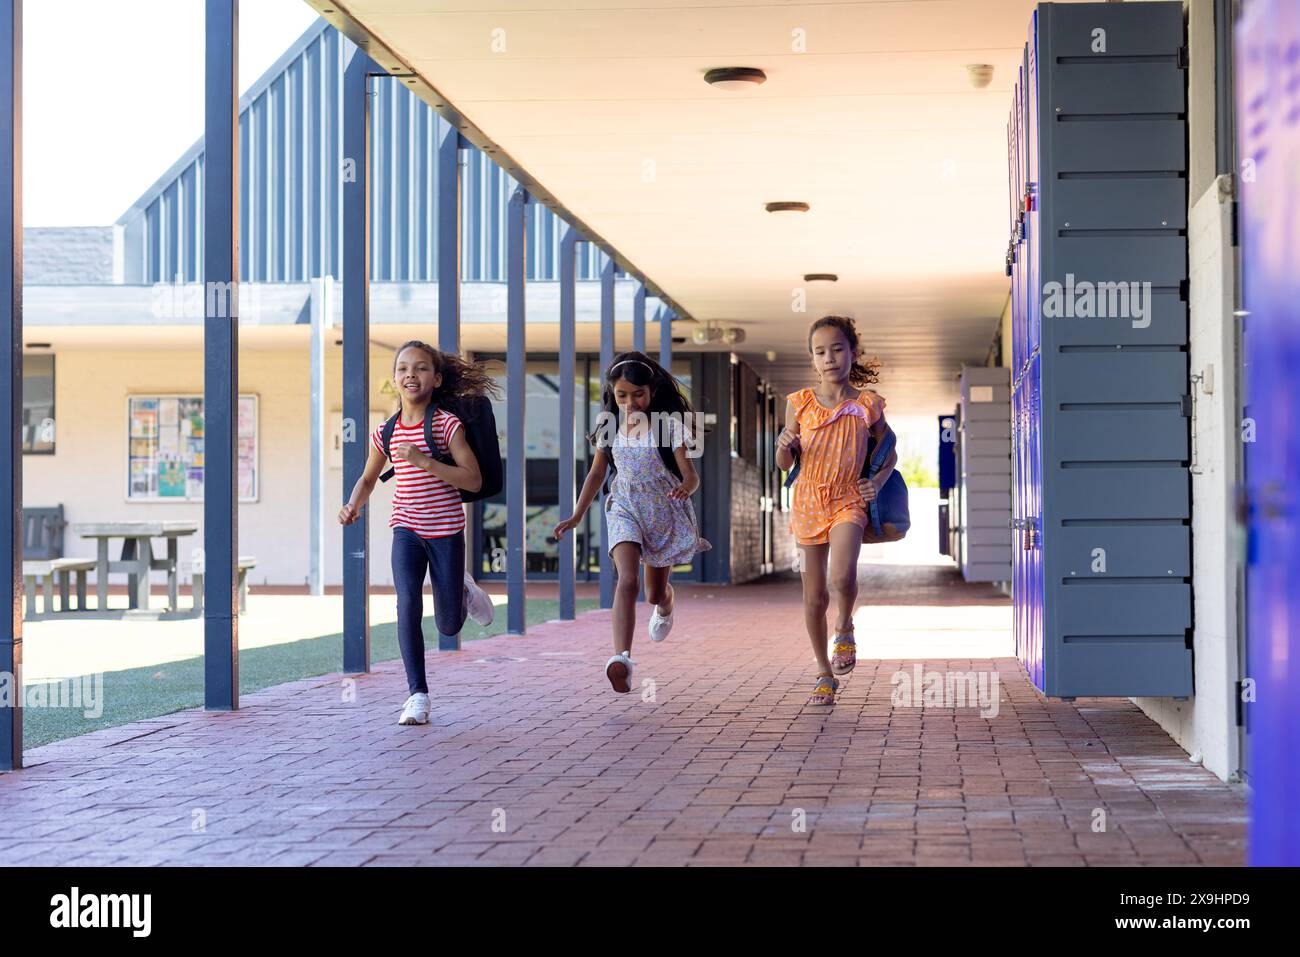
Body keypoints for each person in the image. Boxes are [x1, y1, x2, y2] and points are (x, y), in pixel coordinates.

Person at [339, 340, 497, 726]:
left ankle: (462, 590)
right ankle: (417, 695)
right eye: (403, 368)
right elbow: (368, 477)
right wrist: (353, 504)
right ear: (394, 379)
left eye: (421, 368)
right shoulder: (386, 431)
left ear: (437, 378)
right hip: (406, 530)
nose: (411, 374)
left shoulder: (446, 424)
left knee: (448, 625)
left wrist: (423, 460)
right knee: (407, 603)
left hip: (445, 531)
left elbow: (473, 480)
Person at [553, 351, 710, 693]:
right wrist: (577, 514)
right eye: (622, 395)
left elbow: (691, 476)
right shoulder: (608, 427)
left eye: (638, 394)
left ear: (651, 392)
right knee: (627, 579)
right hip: (624, 506)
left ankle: (666, 604)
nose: (630, 402)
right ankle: (621, 658)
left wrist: (685, 488)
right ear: (613, 394)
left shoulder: (668, 427)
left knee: (653, 593)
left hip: (663, 511)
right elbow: (597, 474)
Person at [776, 316, 887, 706]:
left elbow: (889, 451)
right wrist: (785, 443)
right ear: (812, 359)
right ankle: (824, 672)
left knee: (842, 574)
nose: (830, 358)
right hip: (807, 501)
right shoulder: (799, 404)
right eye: (820, 352)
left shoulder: (866, 404)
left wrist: (879, 481)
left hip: (847, 498)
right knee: (813, 596)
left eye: (837, 349)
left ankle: (844, 626)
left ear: (852, 352)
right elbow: (785, 463)